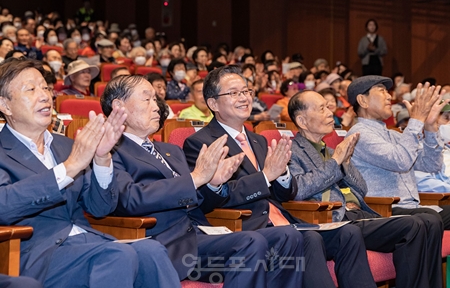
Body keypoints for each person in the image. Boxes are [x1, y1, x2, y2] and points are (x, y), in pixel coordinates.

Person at [183, 65, 380, 288]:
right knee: (309, 239)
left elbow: (284, 193)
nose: (244, 98)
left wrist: (283, 175)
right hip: (248, 228)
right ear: (213, 103)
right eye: (234, 93)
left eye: (247, 91)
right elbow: (213, 199)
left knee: (349, 233)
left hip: (285, 220)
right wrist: (266, 176)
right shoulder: (201, 142)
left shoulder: (257, 140)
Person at [100, 74, 304, 287]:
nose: (157, 106)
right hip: (166, 245)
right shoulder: (110, 151)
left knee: (288, 237)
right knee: (251, 242)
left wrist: (214, 184)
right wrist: (196, 178)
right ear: (118, 106)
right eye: (147, 99)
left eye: (155, 99)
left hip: (201, 235)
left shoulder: (170, 151)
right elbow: (130, 199)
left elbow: (199, 203)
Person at [0, 58, 180, 288]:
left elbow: (99, 208)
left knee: (151, 250)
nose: (45, 95)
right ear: (5, 105)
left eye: (45, 87)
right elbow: (4, 206)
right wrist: (69, 168)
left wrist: (102, 158)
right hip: (35, 253)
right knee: (116, 255)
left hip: (89, 241)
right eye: (31, 89)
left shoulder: (66, 145)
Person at [287, 90, 443, 288]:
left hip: (359, 212)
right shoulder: (292, 150)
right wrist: (336, 162)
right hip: (336, 220)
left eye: (328, 106)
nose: (329, 112)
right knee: (413, 226)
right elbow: (299, 188)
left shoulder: (333, 150)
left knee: (426, 222)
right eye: (322, 108)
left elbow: (361, 188)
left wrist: (346, 163)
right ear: (302, 121)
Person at [346, 75, 450, 229]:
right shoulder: (359, 134)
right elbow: (401, 161)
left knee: (429, 216)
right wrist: (416, 121)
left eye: (388, 92)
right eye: (382, 91)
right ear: (363, 101)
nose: (389, 96)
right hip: (384, 210)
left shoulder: (394, 135)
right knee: (428, 218)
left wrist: (430, 127)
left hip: (412, 209)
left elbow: (431, 165)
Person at [415, 102, 450, 192]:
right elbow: (419, 180)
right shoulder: (417, 148)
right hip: (439, 198)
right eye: (446, 118)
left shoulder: (447, 147)